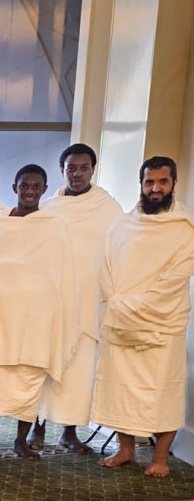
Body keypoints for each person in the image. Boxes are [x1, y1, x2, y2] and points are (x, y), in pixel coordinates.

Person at [92, 157, 194, 478]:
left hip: (163, 323)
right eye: (150, 182)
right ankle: (125, 449)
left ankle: (160, 457)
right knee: (122, 388)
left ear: (173, 183)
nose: (156, 188)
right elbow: (106, 268)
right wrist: (119, 304)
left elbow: (175, 279)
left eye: (163, 182)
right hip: (121, 321)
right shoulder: (122, 225)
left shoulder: (183, 229)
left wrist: (136, 306)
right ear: (141, 184)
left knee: (163, 391)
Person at [0, 165, 76, 461]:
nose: (30, 191)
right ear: (14, 187)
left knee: (29, 380)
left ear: (44, 189)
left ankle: (21, 441)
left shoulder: (53, 225)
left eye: (35, 186)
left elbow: (60, 272)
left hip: (35, 318)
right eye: (24, 186)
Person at [33, 143, 125, 452]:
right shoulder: (48, 209)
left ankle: (69, 432)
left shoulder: (108, 209)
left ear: (92, 170)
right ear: (62, 170)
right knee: (45, 366)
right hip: (53, 302)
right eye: (71, 168)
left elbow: (118, 253)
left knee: (79, 370)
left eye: (84, 168)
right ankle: (36, 427)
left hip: (89, 301)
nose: (77, 174)